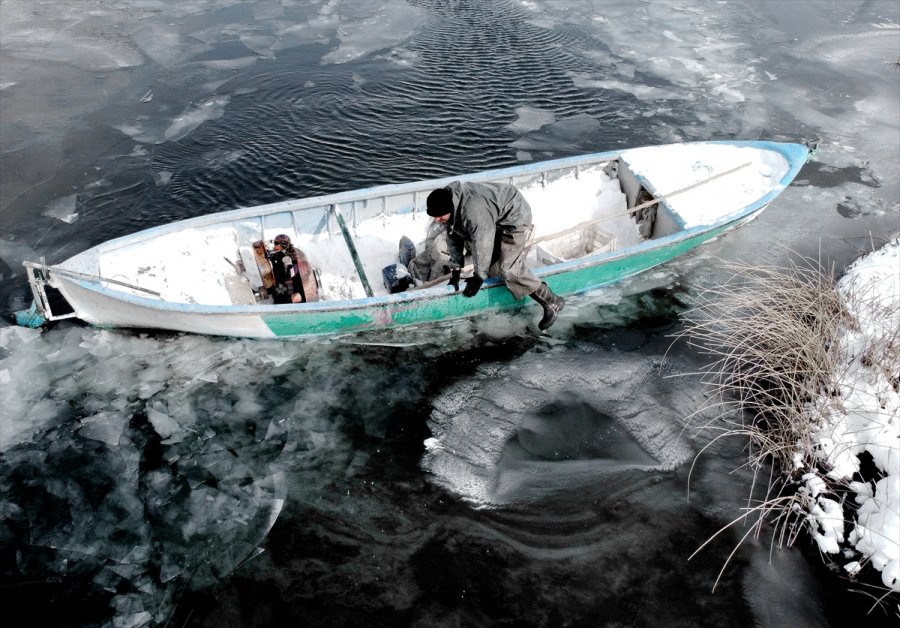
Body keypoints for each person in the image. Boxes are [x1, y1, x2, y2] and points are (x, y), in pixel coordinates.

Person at [426, 181, 565, 330]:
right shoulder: (450, 204)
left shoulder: (474, 213)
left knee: (509, 270)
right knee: (492, 269)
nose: (437, 220)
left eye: (440, 216)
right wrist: (455, 270)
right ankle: (503, 303)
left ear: (450, 209)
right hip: (494, 216)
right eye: (434, 216)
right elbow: (454, 237)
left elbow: (483, 242)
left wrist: (479, 276)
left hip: (514, 216)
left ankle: (552, 301)